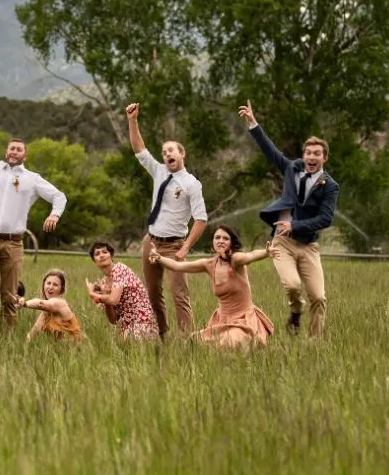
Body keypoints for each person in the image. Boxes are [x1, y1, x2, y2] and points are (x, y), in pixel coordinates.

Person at [0, 98, 67, 328]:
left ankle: (7, 341)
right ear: (6, 152)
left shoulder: (32, 179)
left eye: (19, 149)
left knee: (9, 301)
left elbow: (59, 196)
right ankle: (10, 286)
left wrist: (55, 214)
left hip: (13, 244)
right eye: (11, 148)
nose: (14, 151)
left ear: (24, 156)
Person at [238, 100, 340, 337]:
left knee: (319, 296)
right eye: (308, 153)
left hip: (308, 246)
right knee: (293, 285)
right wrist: (253, 124)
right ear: (303, 155)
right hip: (282, 242)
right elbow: (271, 152)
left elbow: (325, 219)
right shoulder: (293, 168)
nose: (311, 157)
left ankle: (314, 342)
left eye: (317, 153)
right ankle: (296, 311)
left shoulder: (330, 186)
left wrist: (295, 224)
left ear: (325, 157)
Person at [124, 103, 207, 339]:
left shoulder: (192, 184)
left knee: (179, 295)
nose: (167, 154)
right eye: (164, 152)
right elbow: (139, 148)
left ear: (182, 154)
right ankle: (163, 335)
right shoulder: (159, 171)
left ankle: (187, 340)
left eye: (172, 150)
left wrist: (185, 247)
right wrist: (132, 120)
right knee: (152, 293)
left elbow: (201, 220)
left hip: (174, 246)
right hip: (151, 242)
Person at [149, 226, 276, 347]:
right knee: (193, 342)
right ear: (213, 242)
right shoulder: (209, 264)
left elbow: (250, 255)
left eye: (225, 238)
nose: (221, 241)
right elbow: (178, 266)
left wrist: (266, 252)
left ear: (231, 243)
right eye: (217, 237)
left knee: (229, 342)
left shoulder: (236, 260)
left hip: (243, 320)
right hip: (222, 320)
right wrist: (159, 257)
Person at [84, 241, 159, 342]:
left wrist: (93, 294)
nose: (101, 255)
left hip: (142, 321)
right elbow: (113, 320)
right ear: (95, 261)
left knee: (130, 345)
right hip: (126, 327)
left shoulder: (120, 269)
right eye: (97, 254)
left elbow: (114, 300)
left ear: (112, 256)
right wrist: (105, 298)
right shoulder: (104, 283)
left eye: (104, 252)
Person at [17, 269, 83, 343]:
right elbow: (34, 332)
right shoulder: (45, 312)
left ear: (61, 289)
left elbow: (40, 303)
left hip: (74, 349)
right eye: (48, 283)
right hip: (60, 350)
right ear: (44, 285)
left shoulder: (60, 303)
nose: (50, 287)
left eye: (55, 285)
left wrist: (25, 303)